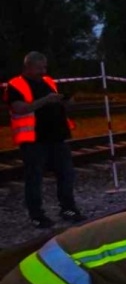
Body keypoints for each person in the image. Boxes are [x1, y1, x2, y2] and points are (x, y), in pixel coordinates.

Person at [4, 51, 84, 228]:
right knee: (35, 178)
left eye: (45, 67)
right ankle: (37, 215)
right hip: (34, 140)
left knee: (66, 174)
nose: (43, 71)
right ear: (28, 67)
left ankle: (68, 208)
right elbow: (19, 109)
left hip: (57, 137)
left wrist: (65, 101)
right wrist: (45, 100)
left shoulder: (48, 81)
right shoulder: (15, 85)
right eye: (39, 67)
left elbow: (54, 102)